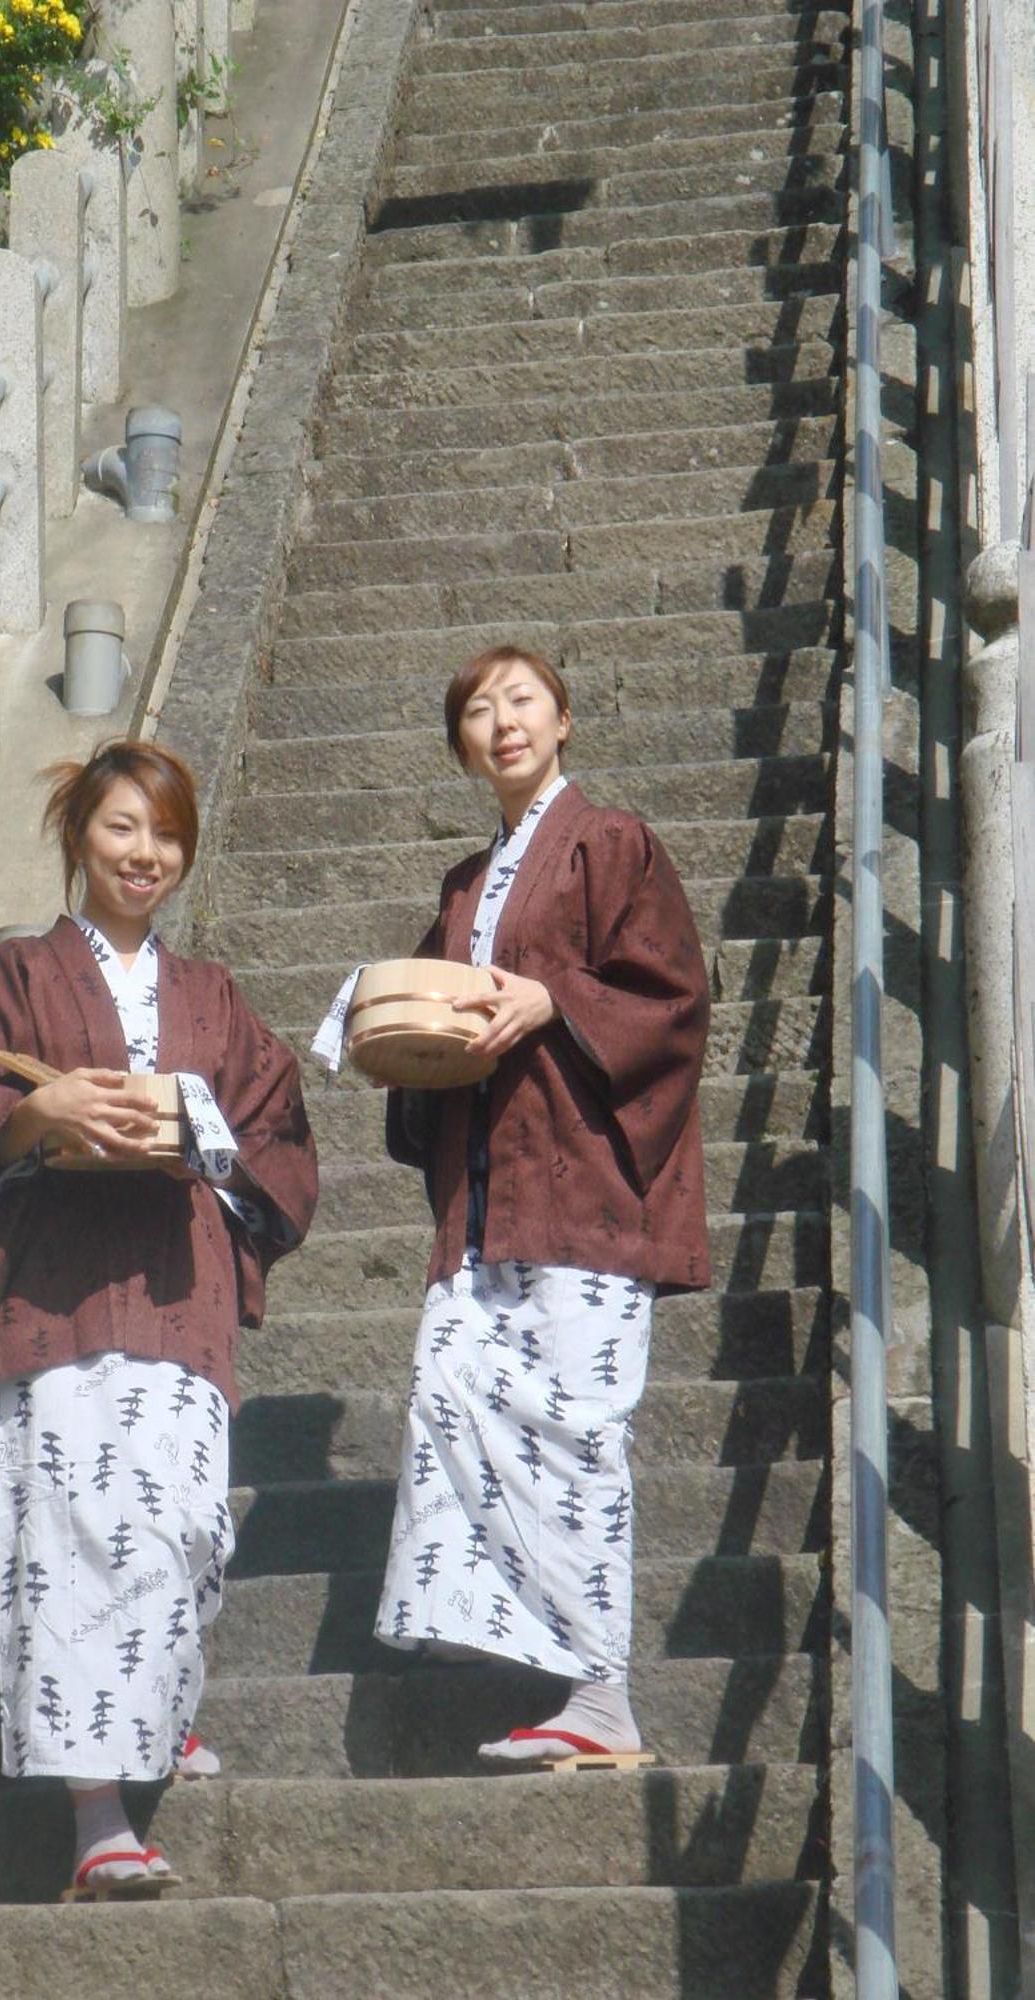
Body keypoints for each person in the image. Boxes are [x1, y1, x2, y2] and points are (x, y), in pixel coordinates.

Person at [0, 741, 317, 1897]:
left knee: (188, 1528)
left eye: (166, 835)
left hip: (180, 1291)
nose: (146, 854)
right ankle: (101, 1821)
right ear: (78, 836)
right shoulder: (13, 980)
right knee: (81, 1538)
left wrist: (203, 1135)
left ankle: (162, 1704)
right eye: (122, 829)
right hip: (63, 1294)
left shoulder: (214, 998)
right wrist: (39, 1113)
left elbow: (280, 1138)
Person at [339, 644, 710, 1766]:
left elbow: (676, 997)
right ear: (461, 744)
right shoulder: (465, 884)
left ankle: (601, 1699)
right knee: (451, 1383)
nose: (501, 721)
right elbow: (428, 1028)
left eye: (521, 700)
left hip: (586, 1188)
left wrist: (556, 996)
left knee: (580, 1431)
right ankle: (497, 1622)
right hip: (488, 1197)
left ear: (563, 719)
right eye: (477, 710)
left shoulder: (612, 843)